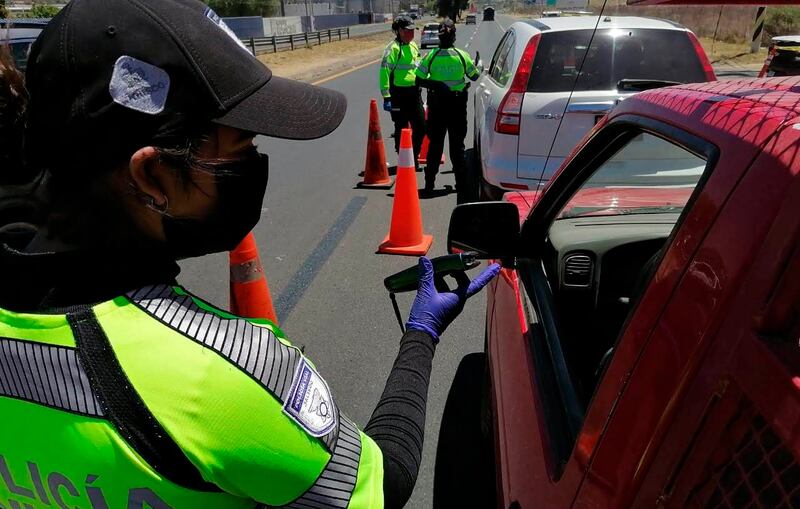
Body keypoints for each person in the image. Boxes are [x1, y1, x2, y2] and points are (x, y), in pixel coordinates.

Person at [0, 1, 500, 508]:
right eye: (240, 148)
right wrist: (421, 335)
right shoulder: (224, 374)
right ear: (151, 177)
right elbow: (382, 483)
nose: (255, 164)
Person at [415, 19, 481, 202]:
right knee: (457, 147)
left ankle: (429, 185)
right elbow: (475, 76)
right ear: (454, 37)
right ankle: (461, 186)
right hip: (457, 107)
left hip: (437, 107)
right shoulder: (462, 55)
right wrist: (479, 64)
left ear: (439, 38)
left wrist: (437, 85)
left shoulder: (431, 56)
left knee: (435, 146)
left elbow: (418, 79)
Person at [379, 15, 425, 167]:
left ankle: (414, 154)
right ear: (399, 31)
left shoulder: (413, 46)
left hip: (414, 93)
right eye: (408, 31)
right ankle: (403, 158)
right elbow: (384, 71)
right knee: (401, 128)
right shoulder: (393, 49)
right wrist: (386, 96)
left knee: (420, 127)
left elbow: (418, 67)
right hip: (398, 95)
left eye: (413, 30)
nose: (412, 34)